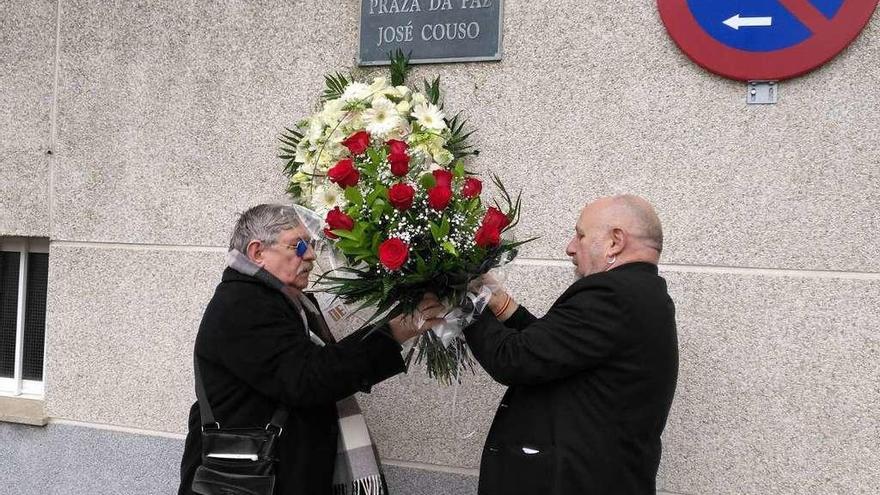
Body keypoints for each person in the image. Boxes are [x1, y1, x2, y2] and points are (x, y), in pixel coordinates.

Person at [178, 204, 440, 495]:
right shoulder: (242, 304)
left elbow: (314, 368)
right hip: (253, 479)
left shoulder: (286, 301)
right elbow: (308, 378)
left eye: (311, 244)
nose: (311, 255)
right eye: (298, 245)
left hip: (279, 471)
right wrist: (396, 330)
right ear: (257, 253)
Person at [464, 194, 679, 494]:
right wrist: (502, 305)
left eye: (580, 235)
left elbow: (513, 360)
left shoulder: (613, 295)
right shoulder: (642, 294)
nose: (570, 247)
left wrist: (461, 297)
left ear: (615, 242)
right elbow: (555, 352)